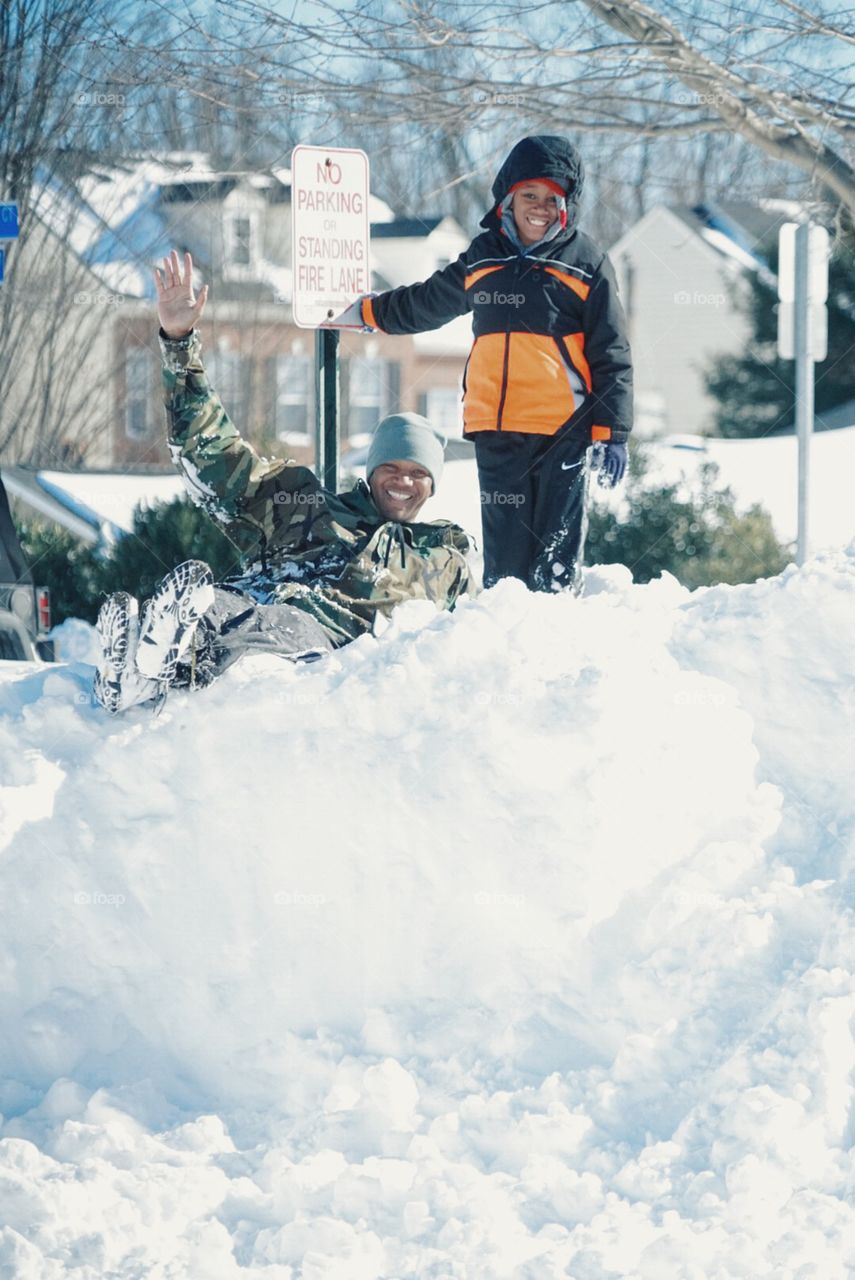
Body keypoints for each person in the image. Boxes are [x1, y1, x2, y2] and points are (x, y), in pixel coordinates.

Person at [93, 250, 473, 714]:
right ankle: (138, 666)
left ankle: (165, 668)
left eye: (418, 474)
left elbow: (487, 633)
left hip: (309, 638)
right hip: (246, 602)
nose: (403, 482)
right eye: (391, 469)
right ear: (371, 473)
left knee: (267, 627)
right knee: (211, 607)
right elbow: (212, 452)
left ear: (432, 486)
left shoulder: (441, 558)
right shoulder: (302, 504)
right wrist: (178, 341)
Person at [330, 135, 633, 593]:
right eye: (529, 195)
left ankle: (554, 642)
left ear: (567, 205)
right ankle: (504, 650)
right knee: (505, 570)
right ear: (508, 198)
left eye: (552, 199)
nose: (540, 208)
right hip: (497, 430)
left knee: (554, 560)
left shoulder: (586, 263)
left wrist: (612, 433)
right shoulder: (484, 257)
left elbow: (611, 352)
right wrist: (369, 314)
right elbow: (429, 301)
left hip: (564, 434)